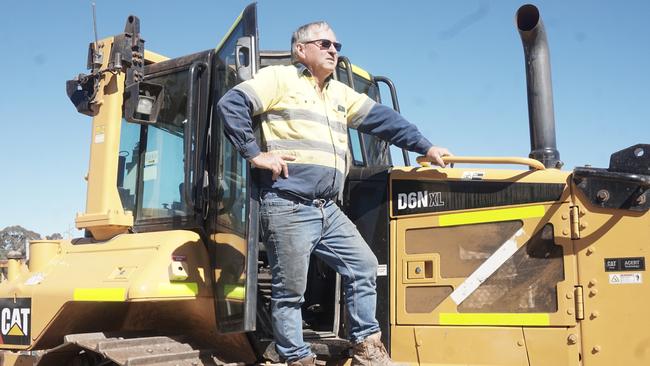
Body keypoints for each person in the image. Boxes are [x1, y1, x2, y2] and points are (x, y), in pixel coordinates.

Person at [217, 21, 451, 366]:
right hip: (288, 204)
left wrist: (426, 146)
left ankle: (366, 348)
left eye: (337, 45)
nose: (333, 50)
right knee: (290, 292)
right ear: (301, 50)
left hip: (328, 208)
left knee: (364, 265)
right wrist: (254, 153)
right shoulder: (279, 80)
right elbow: (231, 103)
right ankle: (297, 358)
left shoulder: (339, 94)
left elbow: (384, 120)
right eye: (324, 43)